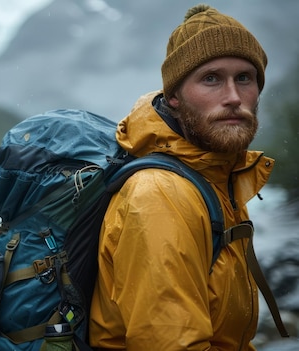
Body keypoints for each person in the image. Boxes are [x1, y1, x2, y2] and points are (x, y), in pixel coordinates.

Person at [89, 4, 273, 350]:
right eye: (211, 79)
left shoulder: (218, 177)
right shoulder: (160, 195)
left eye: (244, 78)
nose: (233, 97)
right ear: (173, 96)